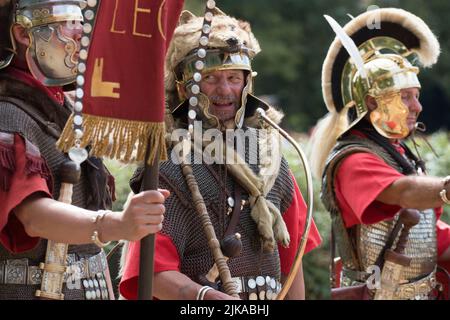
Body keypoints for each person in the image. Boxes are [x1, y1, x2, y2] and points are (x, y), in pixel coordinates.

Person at [119, 8, 322, 300]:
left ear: (247, 84)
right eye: (211, 78)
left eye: (233, 78)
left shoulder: (269, 160)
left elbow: (292, 263)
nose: (224, 89)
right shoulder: (169, 165)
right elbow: (150, 273)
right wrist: (204, 297)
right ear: (185, 86)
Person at [0, 0, 168, 300]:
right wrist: (117, 224)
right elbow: (32, 216)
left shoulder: (65, 109)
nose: (80, 34)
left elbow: (89, 240)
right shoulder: (8, 113)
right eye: (68, 24)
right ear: (24, 34)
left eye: (81, 23)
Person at [309, 8, 450, 300]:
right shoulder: (352, 160)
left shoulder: (398, 154)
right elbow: (404, 192)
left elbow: (429, 236)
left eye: (416, 95)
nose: (418, 107)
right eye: (406, 97)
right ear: (373, 103)